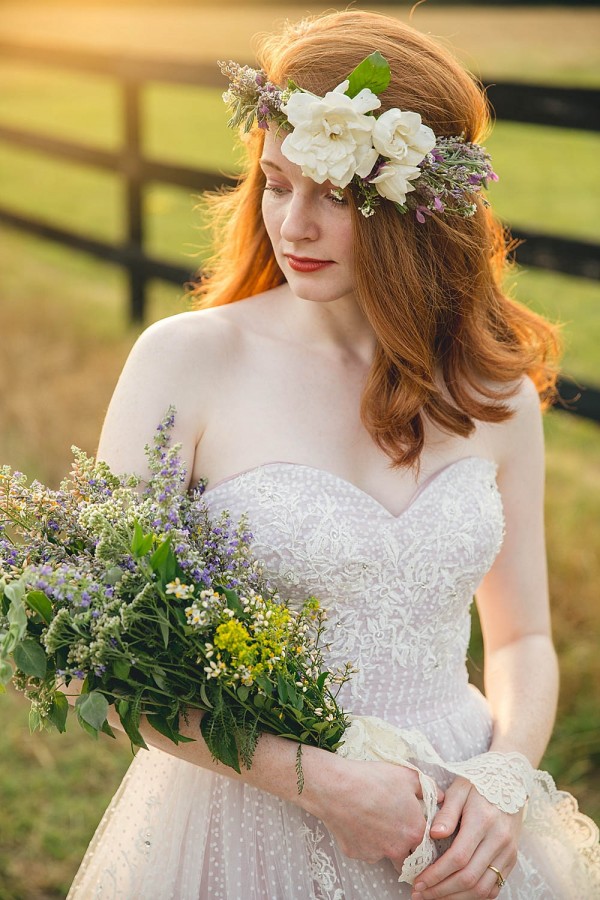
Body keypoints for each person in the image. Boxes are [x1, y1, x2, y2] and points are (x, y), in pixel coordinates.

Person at [67, 10, 599, 899]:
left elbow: (524, 638)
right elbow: (103, 659)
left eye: (336, 197)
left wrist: (504, 782)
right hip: (243, 821)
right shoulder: (187, 361)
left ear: (420, 213)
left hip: (458, 822)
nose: (294, 225)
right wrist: (314, 781)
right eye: (276, 184)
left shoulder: (494, 388)